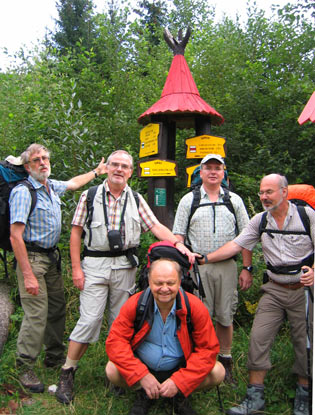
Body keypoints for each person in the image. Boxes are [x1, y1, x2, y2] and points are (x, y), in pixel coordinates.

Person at [55, 149, 196, 404]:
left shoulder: (137, 199)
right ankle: (68, 371)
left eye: (125, 166)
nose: (119, 169)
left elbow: (155, 226)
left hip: (125, 267)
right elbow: (75, 233)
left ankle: (118, 375)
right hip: (94, 266)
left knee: (122, 322)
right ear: (107, 167)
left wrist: (179, 244)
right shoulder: (90, 196)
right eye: (115, 165)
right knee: (89, 320)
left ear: (131, 172)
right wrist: (76, 268)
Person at [199, 173, 314, 415]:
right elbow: (237, 245)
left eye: (269, 192)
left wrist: (313, 271)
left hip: (304, 290)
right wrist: (205, 259)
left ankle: (304, 396)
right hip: (273, 288)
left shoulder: (307, 216)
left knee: (305, 344)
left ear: (284, 192)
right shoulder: (260, 220)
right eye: (261, 192)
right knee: (257, 338)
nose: (263, 197)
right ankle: (255, 397)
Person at [9, 143, 108, 392]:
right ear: (28, 167)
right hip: (31, 259)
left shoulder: (50, 187)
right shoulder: (23, 192)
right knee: (36, 313)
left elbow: (73, 183)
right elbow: (15, 236)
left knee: (56, 308)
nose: (43, 162)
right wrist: (28, 275)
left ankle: (54, 357)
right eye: (36, 160)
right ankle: (25, 367)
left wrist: (97, 172)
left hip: (51, 259)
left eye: (45, 158)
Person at [105, 258, 225, 415]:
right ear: (149, 281)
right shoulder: (136, 304)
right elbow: (116, 342)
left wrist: (180, 381)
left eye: (170, 283)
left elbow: (208, 349)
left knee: (218, 372)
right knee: (112, 369)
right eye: (158, 283)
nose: (164, 289)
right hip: (144, 366)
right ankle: (144, 392)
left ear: (179, 282)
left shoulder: (194, 307)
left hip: (180, 367)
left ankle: (178, 393)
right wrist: (141, 375)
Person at [173, 154, 252, 385]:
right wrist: (182, 254)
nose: (213, 172)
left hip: (228, 266)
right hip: (198, 268)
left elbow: (247, 236)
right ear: (201, 172)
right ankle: (202, 361)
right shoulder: (189, 200)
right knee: (200, 316)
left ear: (223, 172)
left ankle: (225, 361)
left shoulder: (234, 200)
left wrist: (247, 267)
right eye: (208, 168)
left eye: (217, 168)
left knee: (225, 316)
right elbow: (177, 236)